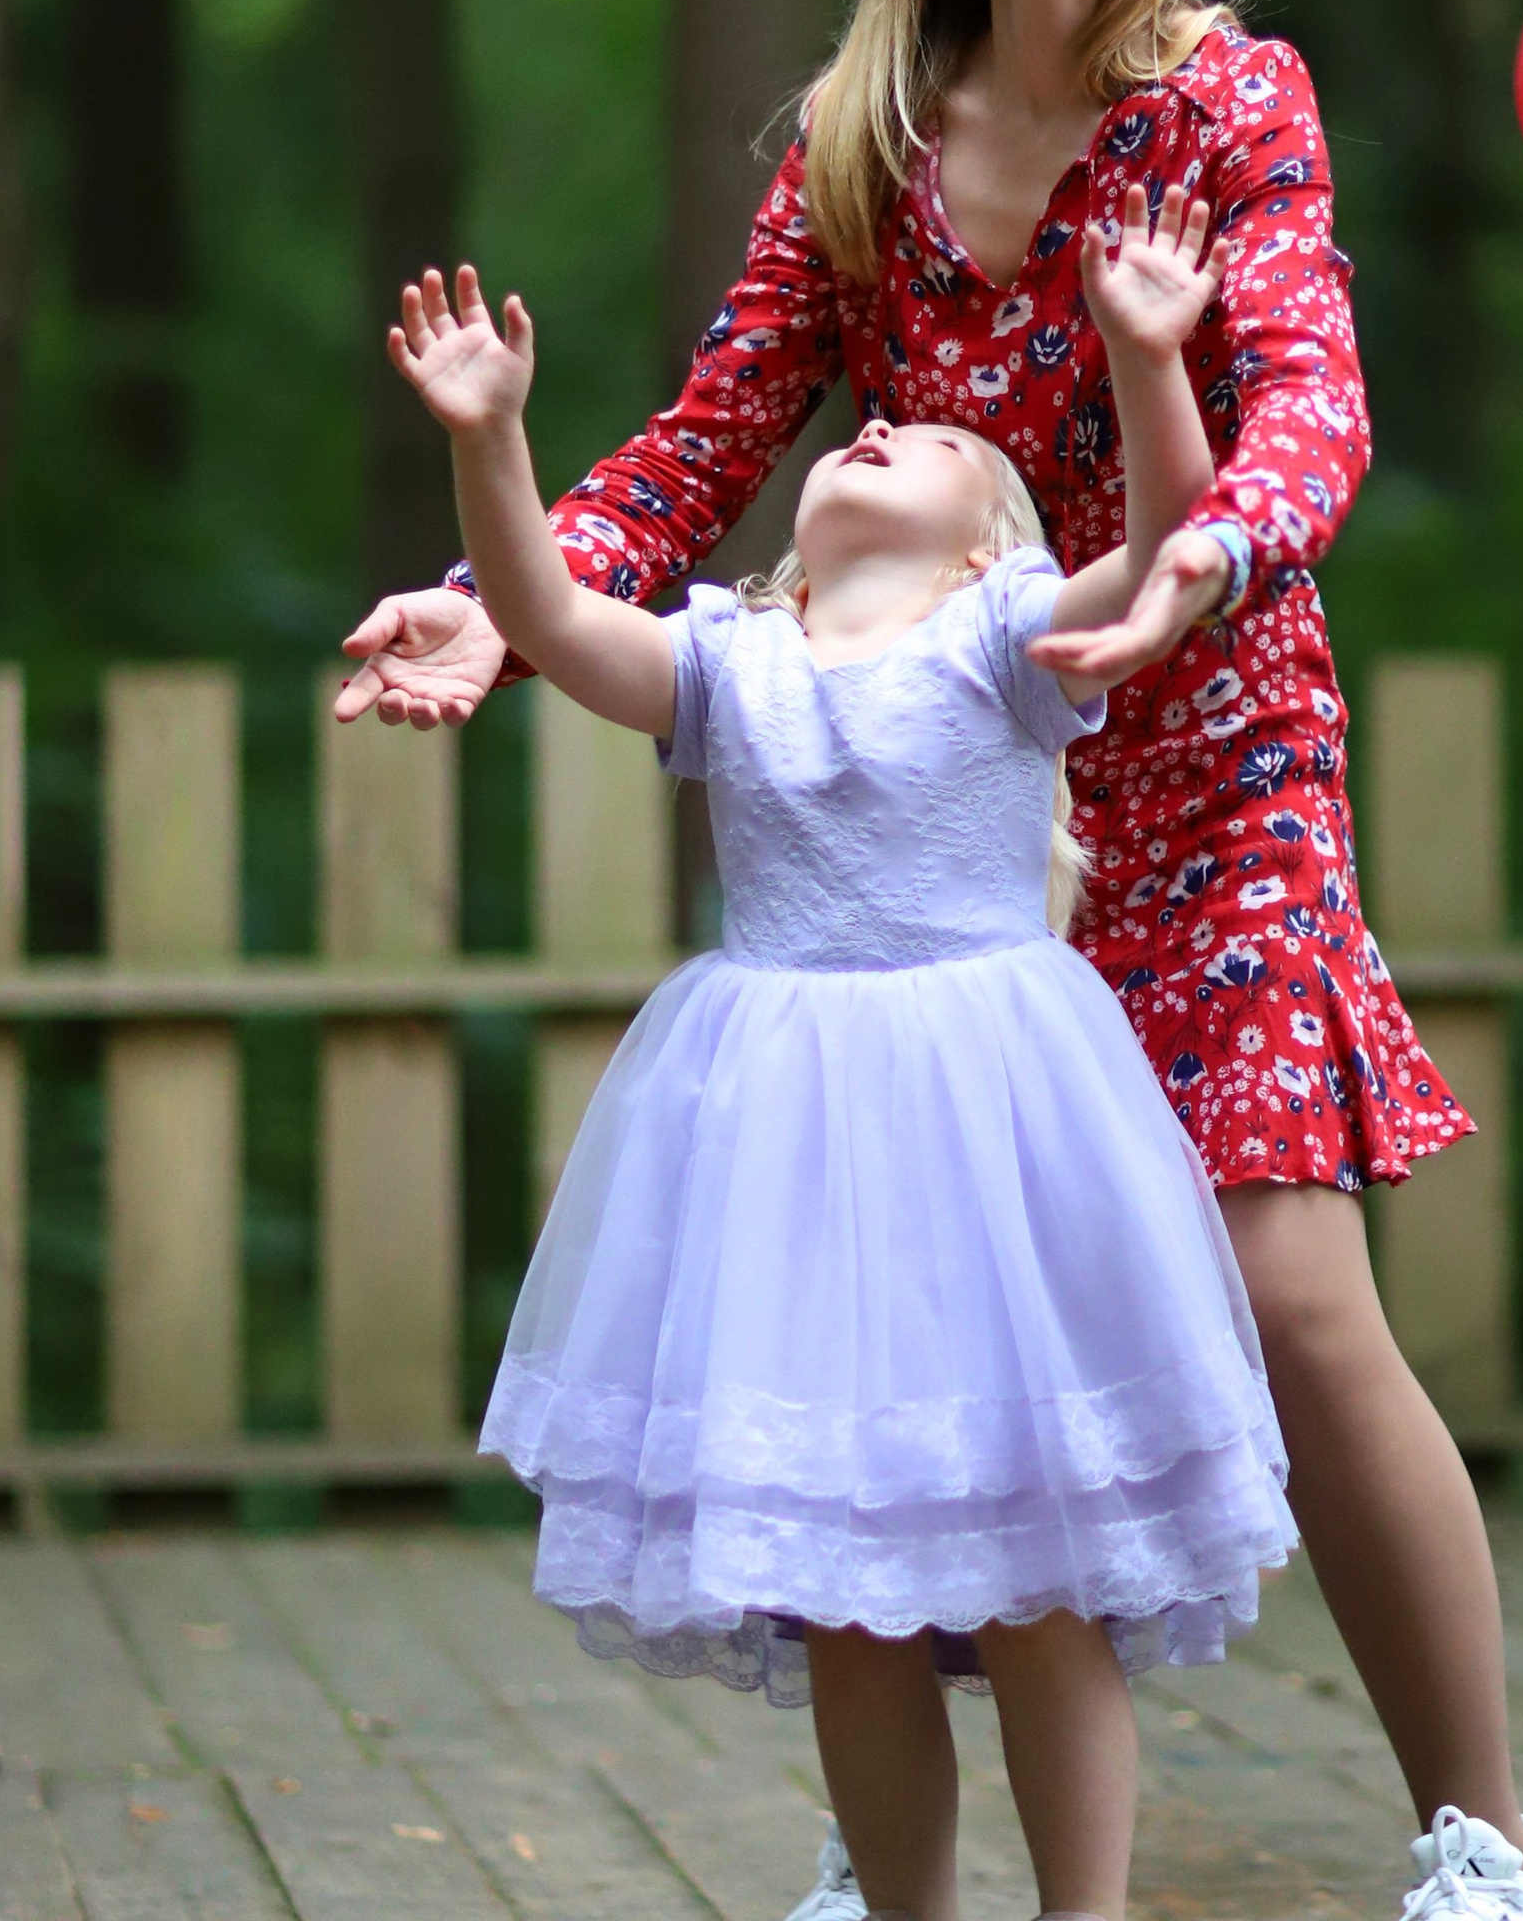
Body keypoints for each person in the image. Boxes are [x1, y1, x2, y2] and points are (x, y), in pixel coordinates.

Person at [338, 0, 1523, 1921]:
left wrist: (1195, 555)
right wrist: (502, 600)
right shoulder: (870, 134)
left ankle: (1475, 1833)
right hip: (943, 806)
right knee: (910, 1321)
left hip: (1200, 760)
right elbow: (712, 442)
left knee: (1289, 1295)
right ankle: (887, 1833)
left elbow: (1312, 396)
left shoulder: (1227, 106)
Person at [388, 190, 1298, 1921]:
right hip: (791, 1157)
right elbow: (555, 617)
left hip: (992, 1133)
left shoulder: (1007, 641)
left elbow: (1177, 531)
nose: (875, 422)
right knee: (849, 1601)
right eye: (860, 428)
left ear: (986, 548)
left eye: (933, 436)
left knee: (1038, 1576)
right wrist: (494, 443)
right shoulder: (735, 660)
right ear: (797, 542)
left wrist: (1146, 353)